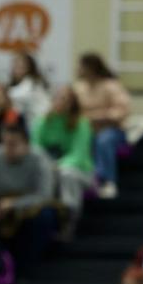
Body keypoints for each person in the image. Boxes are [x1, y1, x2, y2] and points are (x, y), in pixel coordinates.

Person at [0, 122, 58, 271]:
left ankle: (30, 267)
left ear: (26, 145)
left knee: (45, 215)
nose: (7, 149)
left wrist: (14, 204)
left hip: (28, 208)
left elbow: (45, 195)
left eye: (13, 144)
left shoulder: (39, 158)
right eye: (4, 143)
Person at [32, 85, 93, 229]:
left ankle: (69, 219)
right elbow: (35, 149)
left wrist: (56, 166)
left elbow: (79, 155)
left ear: (72, 103)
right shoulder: (42, 122)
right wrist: (48, 166)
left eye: (65, 99)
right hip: (49, 167)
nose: (60, 102)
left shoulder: (82, 123)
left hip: (79, 170)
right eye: (57, 98)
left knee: (66, 174)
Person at [73, 52, 130, 199]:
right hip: (85, 130)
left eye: (81, 66)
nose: (78, 69)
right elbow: (72, 110)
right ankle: (82, 181)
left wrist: (97, 117)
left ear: (91, 68)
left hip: (111, 130)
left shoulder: (111, 85)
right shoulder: (78, 88)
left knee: (104, 140)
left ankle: (107, 181)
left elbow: (122, 111)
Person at [8, 52, 51, 124]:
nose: (16, 69)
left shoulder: (32, 83)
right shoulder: (18, 84)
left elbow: (12, 95)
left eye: (20, 66)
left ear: (29, 68)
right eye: (15, 65)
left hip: (41, 123)